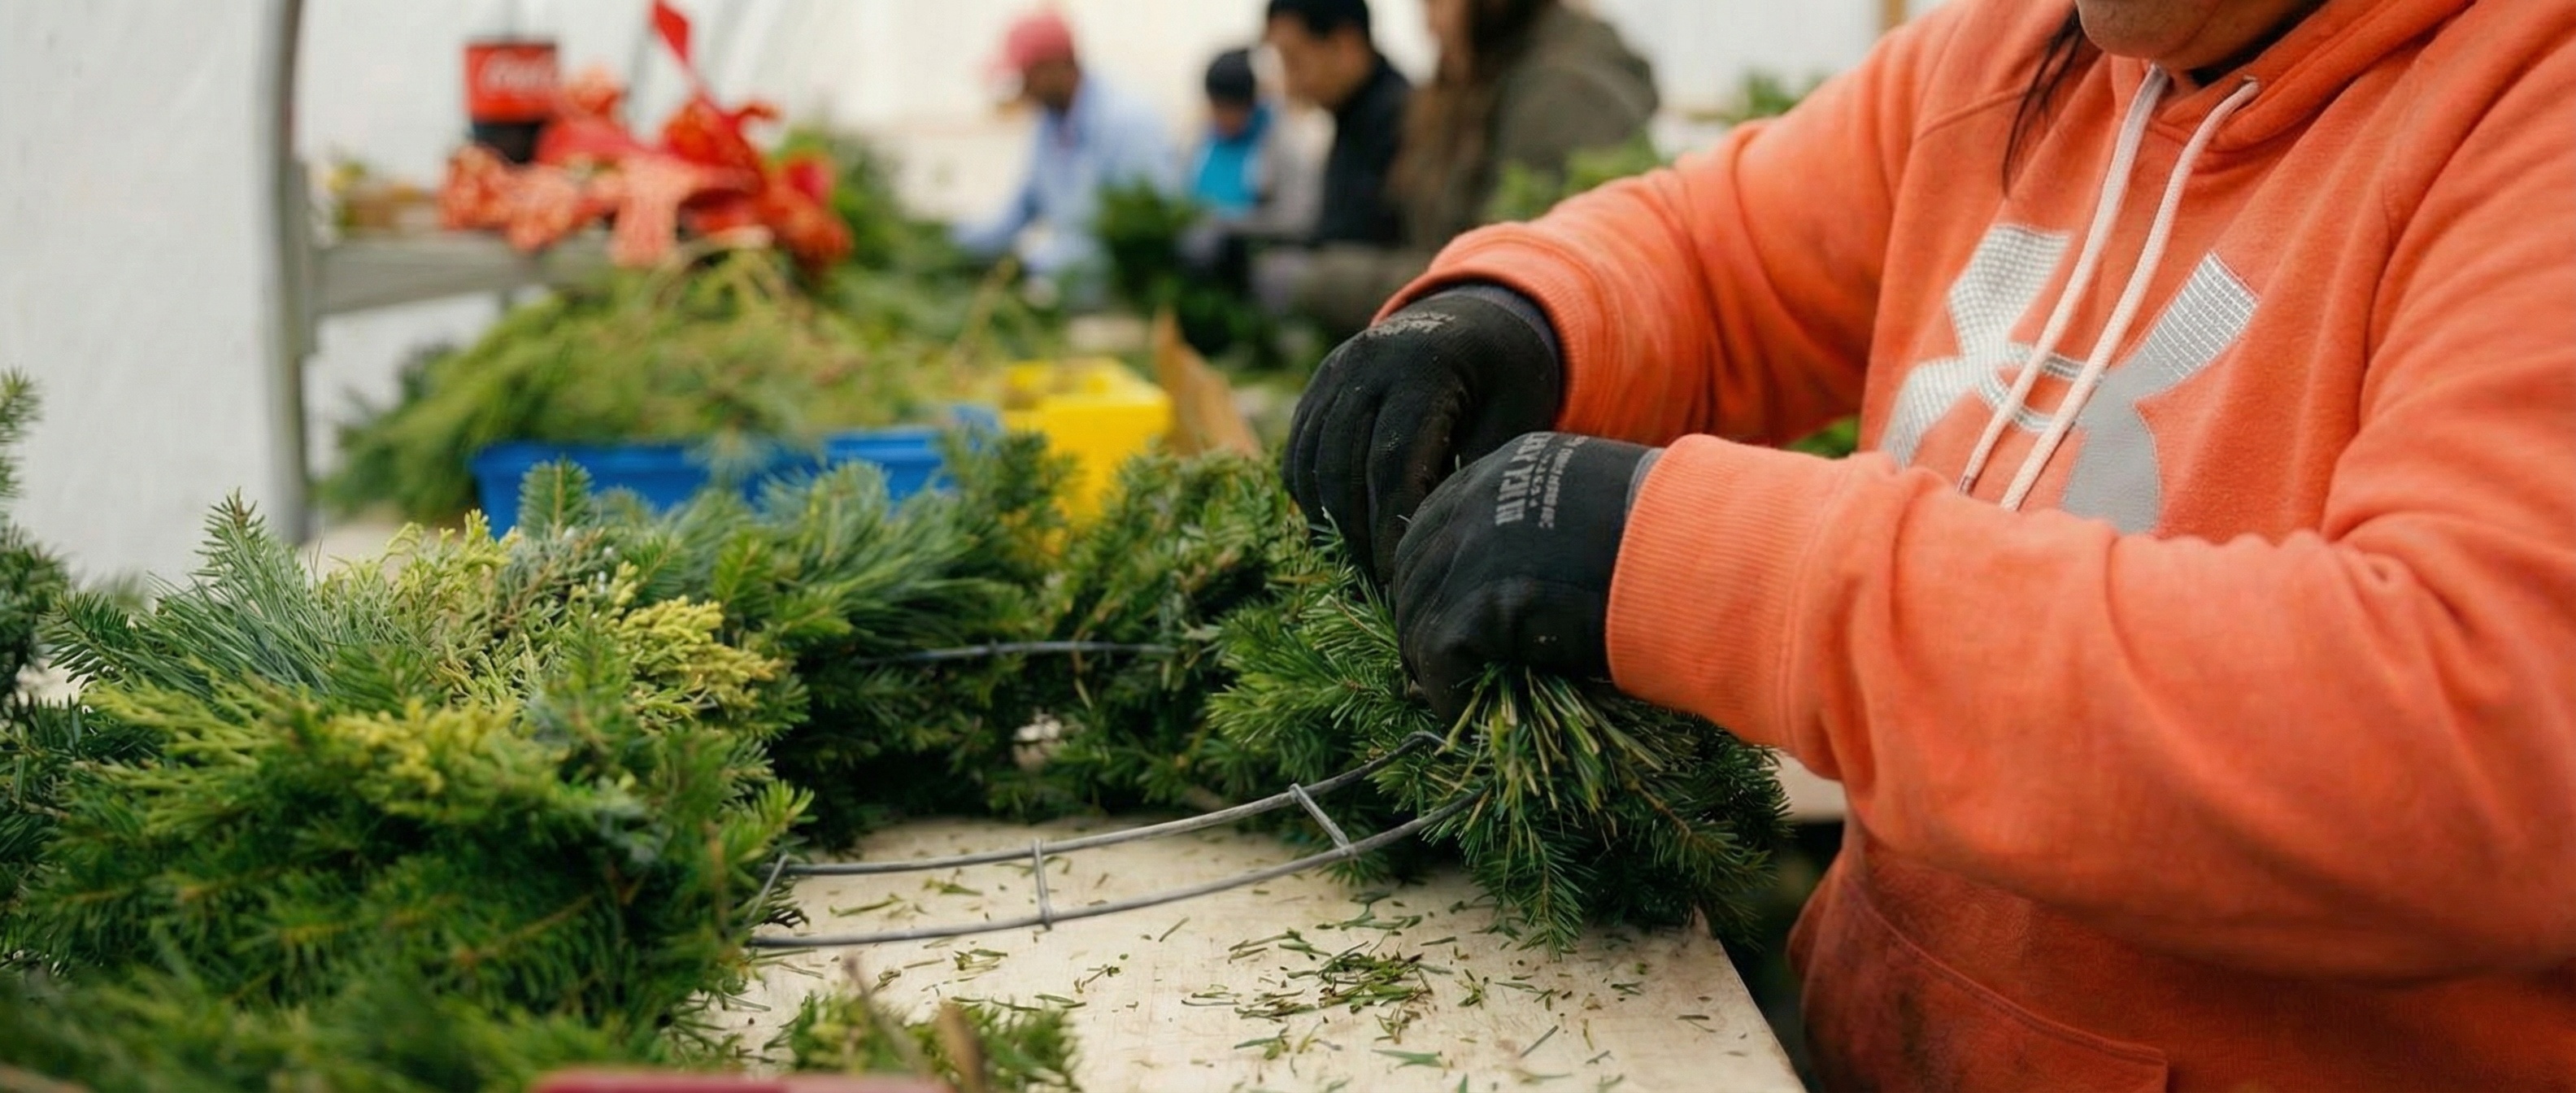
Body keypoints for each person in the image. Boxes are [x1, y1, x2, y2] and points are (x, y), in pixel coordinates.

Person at [1285, 0, 2576, 1087]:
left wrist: (1710, 559)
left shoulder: (2530, 105)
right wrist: (1521, 312)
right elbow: (1721, 254)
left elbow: (2473, 731)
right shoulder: (2027, 52)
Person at [1281, 0, 1657, 336]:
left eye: (1437, 4)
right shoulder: (1476, 81)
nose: (1430, 26)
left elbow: (1503, 286)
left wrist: (1320, 281)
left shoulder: (1563, 96)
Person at [952, 9, 1178, 298]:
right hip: (1071, 292)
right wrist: (946, 240)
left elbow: (1142, 237)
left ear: (1056, 67)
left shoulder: (1127, 123)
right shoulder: (1049, 126)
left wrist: (1032, 266)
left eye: (1025, 75)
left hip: (1123, 302)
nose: (1020, 87)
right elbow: (1017, 213)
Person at [1262, 0, 1412, 251]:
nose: (1290, 85)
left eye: (1294, 61)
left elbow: (1363, 243)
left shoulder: (1403, 122)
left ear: (1345, 44)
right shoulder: (1352, 118)